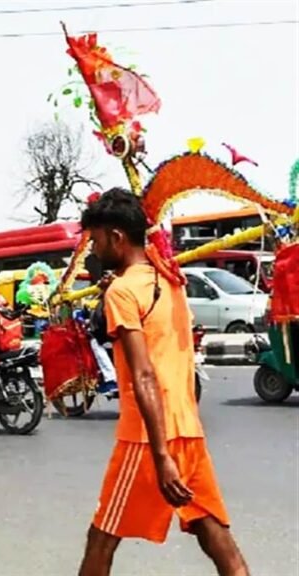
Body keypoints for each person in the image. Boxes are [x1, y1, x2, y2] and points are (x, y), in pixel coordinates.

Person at [77, 188, 248, 576]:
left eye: (97, 240)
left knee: (101, 538)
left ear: (117, 237)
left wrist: (160, 456)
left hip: (146, 436)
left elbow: (144, 374)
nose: (95, 249)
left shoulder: (123, 291)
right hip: (187, 429)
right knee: (213, 533)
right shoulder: (171, 279)